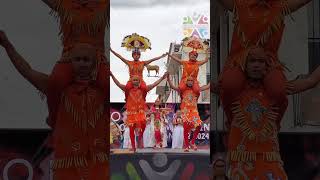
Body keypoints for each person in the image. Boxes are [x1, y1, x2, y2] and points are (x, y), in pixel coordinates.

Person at [0, 31, 109, 179]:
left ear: (94, 62)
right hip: (67, 161)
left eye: (86, 59)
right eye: (77, 59)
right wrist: (8, 46)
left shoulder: (103, 92)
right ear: (70, 62)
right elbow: (27, 71)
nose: (82, 63)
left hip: (98, 159)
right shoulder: (58, 89)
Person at [217, 0, 314, 120]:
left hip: (268, 63)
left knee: (278, 89)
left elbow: (310, 82)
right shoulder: (240, 4)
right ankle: (232, 122)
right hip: (239, 62)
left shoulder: (279, 7)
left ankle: (274, 124)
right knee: (230, 84)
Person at [222, 48, 288, 179]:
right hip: (241, 158)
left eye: (261, 61)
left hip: (269, 157)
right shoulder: (235, 93)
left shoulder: (274, 93)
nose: (257, 65)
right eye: (252, 61)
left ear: (266, 65)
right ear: (244, 65)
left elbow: (281, 109)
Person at [110, 71, 168, 152]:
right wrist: (112, 75)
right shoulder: (128, 90)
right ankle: (133, 147)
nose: (135, 81)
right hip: (131, 113)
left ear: (139, 81)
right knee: (131, 130)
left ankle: (139, 138)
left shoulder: (144, 89)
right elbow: (118, 84)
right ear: (131, 81)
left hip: (140, 113)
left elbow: (154, 84)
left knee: (143, 126)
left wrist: (162, 78)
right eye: (134, 80)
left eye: (137, 80)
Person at [167, 75, 210, 152]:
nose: (190, 82)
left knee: (199, 125)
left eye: (191, 81)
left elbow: (207, 87)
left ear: (193, 82)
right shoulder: (182, 90)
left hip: (194, 111)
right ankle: (187, 146)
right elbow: (172, 87)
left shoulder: (196, 90)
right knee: (186, 129)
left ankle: (192, 142)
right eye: (188, 80)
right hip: (185, 112)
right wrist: (168, 78)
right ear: (186, 82)